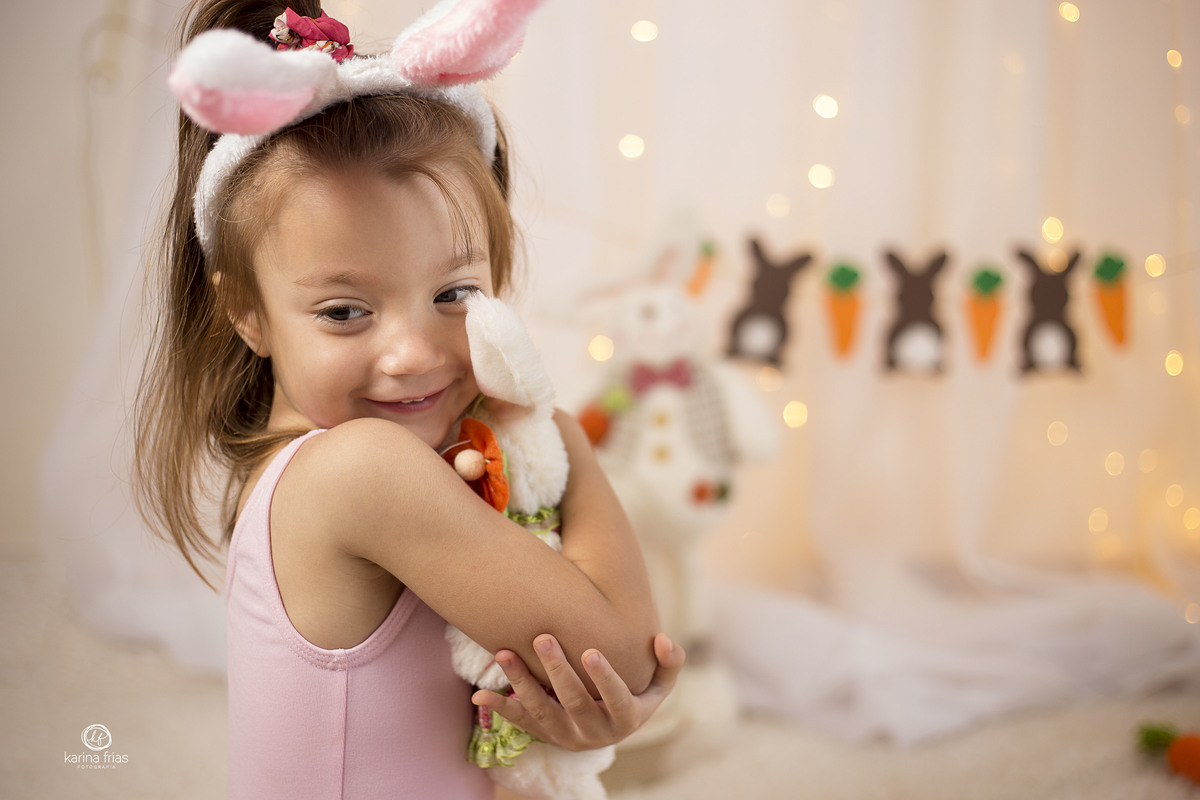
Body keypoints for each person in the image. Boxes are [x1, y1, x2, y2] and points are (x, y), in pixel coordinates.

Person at [132, 1, 684, 797]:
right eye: (345, 312)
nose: (415, 354)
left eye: (454, 293)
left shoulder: (408, 456)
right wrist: (557, 431)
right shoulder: (360, 468)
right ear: (244, 311)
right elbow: (627, 659)